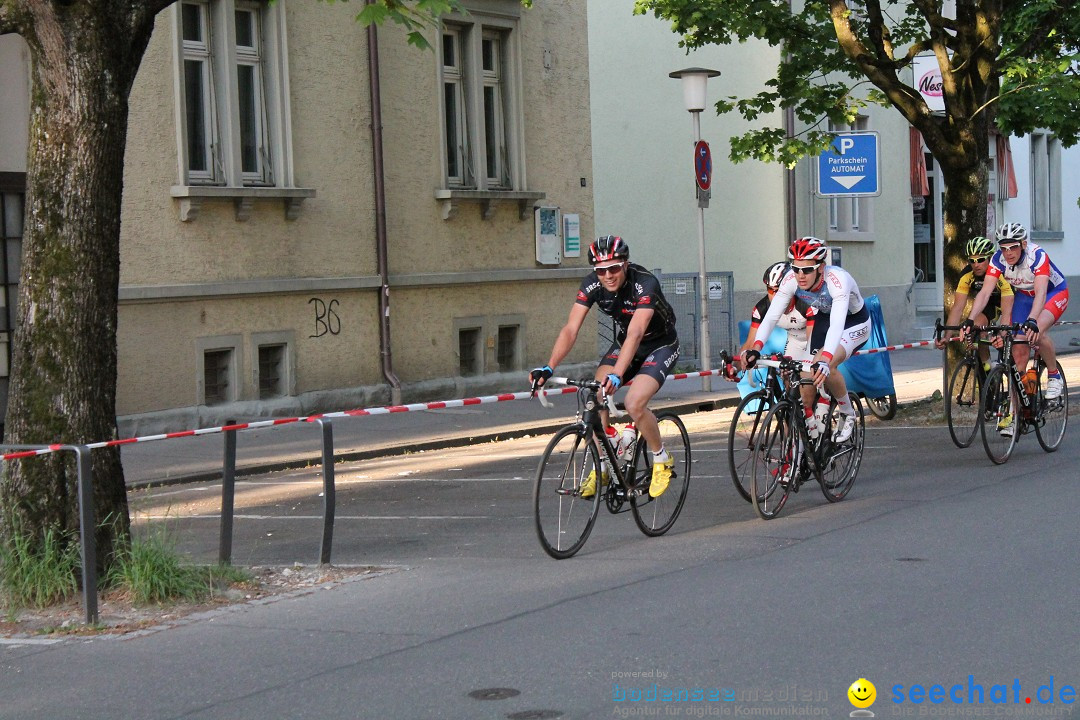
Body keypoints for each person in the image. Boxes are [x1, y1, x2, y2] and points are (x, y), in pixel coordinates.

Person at [529, 235, 680, 498]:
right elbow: (571, 329)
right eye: (600, 270)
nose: (607, 275)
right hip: (625, 344)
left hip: (659, 344)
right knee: (594, 397)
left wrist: (618, 375)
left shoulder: (645, 283)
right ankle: (603, 464)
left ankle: (661, 458)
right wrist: (549, 367)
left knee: (634, 403)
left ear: (625, 264)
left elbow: (635, 332)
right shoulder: (592, 285)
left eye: (613, 268)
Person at [742, 237, 870, 443]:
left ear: (821, 267)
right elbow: (772, 316)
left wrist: (826, 359)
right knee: (805, 374)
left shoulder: (838, 281)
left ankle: (847, 412)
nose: (801, 275)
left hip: (853, 321)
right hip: (825, 318)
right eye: (796, 268)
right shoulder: (791, 280)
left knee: (826, 363)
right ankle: (816, 422)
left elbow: (838, 323)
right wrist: (756, 348)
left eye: (807, 270)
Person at [963, 222, 1069, 435]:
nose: (1008, 253)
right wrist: (970, 319)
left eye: (1013, 247)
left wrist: (1031, 321)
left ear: (1023, 244)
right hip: (1024, 297)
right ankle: (1014, 413)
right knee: (1017, 354)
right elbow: (985, 293)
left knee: (1035, 332)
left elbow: (1040, 293)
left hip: (1053, 293)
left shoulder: (1037, 256)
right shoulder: (997, 260)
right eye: (1003, 247)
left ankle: (1054, 376)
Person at [935, 235, 1014, 370]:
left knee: (1010, 340)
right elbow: (957, 308)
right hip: (988, 303)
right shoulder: (967, 275)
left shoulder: (1000, 272)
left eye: (981, 259)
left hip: (1009, 300)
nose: (976, 264)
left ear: (989, 258)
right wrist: (946, 337)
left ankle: (1012, 372)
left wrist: (1002, 334)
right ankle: (987, 367)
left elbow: (1007, 312)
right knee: (976, 327)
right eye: (972, 260)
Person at [725, 261, 815, 379]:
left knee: (809, 380)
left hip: (815, 339)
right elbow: (750, 342)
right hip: (795, 340)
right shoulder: (762, 308)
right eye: (770, 290)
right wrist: (735, 368)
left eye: (778, 290)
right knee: (787, 377)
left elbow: (812, 342)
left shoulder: (805, 302)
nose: (774, 295)